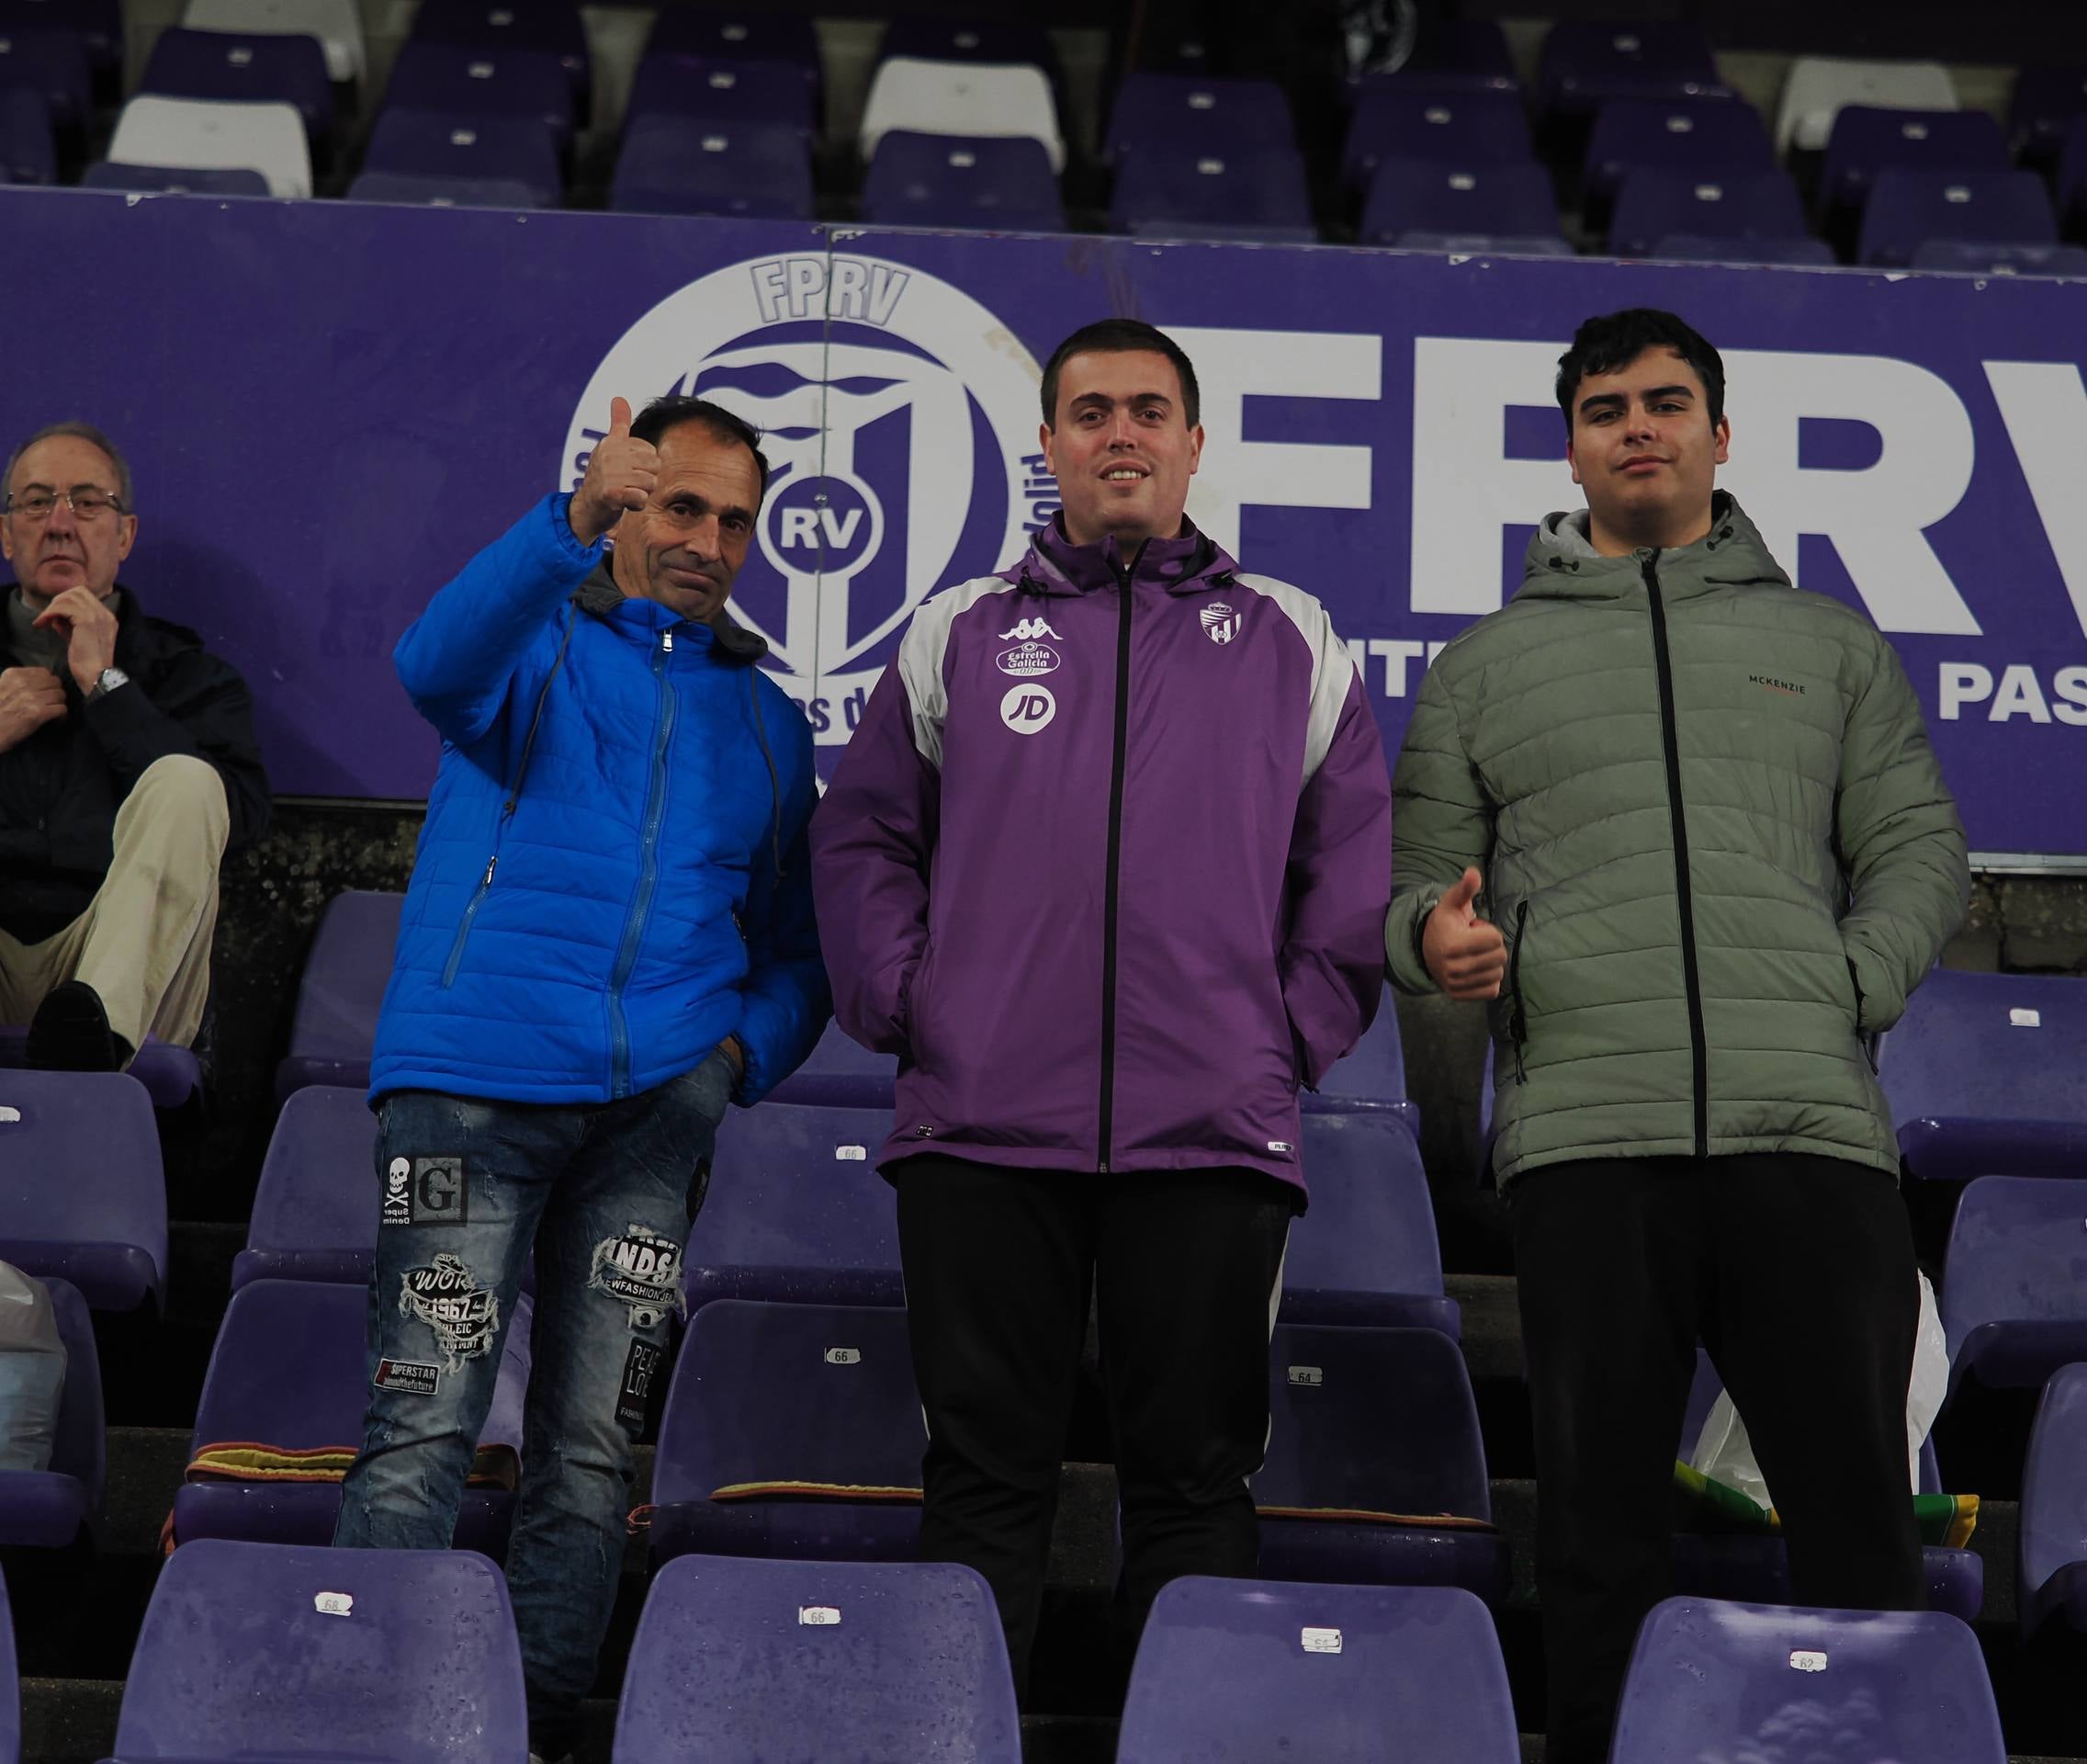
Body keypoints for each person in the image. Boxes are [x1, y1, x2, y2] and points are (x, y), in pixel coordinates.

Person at [1386, 308, 1969, 1762]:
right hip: (1588, 1143)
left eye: (1662, 403)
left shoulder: (1829, 646)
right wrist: (1432, 945)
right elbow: (1412, 886)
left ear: (1720, 431)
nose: (1635, 428)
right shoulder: (1482, 668)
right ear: (1572, 446)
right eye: (1605, 410)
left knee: (1858, 1527)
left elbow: (1918, 849)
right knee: (1595, 1539)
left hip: (1808, 1135)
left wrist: (1847, 984)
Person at [811, 318, 1391, 1692]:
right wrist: (916, 1002)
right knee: (981, 1479)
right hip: (981, 1125)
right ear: (1050, 445)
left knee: (1193, 1486)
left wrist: (1281, 1040)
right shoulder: (959, 629)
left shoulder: (1293, 636)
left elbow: (1353, 866)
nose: (1118, 434)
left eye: (1146, 410)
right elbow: (864, 837)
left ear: (1193, 443)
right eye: (1089, 413)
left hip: (1210, 1131)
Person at [334, 395, 829, 1764]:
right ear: (624, 507)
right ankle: (370, 1732)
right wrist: (565, 522)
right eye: (680, 506)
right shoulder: (531, 641)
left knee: (595, 1456)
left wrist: (733, 1058)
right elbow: (430, 663)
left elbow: (798, 946)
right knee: (423, 1426)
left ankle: (541, 1730)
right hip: (468, 1097)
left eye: (736, 521)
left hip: (651, 1124)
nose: (708, 542)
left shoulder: (770, 723)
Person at [0, 422, 267, 1070]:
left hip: (125, 965)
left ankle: (92, 1050)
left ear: (124, 536)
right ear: (6, 534)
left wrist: (108, 687)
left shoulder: (192, 677)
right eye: (36, 503)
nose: (60, 524)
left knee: (189, 780)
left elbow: (235, 820)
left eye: (88, 502)